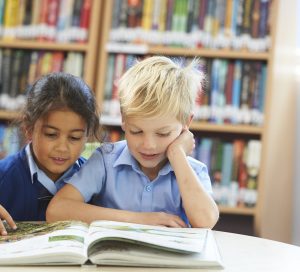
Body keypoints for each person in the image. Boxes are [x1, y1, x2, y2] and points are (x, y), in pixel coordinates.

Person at [46, 56, 219, 228]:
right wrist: (140, 220)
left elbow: (205, 221)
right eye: (136, 131)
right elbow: (57, 210)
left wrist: (177, 154)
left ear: (186, 123)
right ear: (124, 120)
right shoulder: (105, 161)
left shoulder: (192, 171)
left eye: (163, 134)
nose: (148, 145)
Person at [0, 72, 102, 235]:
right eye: (51, 134)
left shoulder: (98, 181)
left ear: (87, 135)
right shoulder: (4, 175)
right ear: (28, 128)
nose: (62, 148)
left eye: (74, 137)